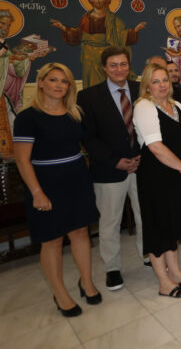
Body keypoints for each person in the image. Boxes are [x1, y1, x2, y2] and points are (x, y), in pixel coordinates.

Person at [14, 63, 100, 317]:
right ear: (41, 82)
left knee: (81, 232)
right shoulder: (27, 117)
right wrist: (37, 192)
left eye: (64, 81)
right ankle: (60, 293)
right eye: (53, 80)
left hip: (76, 178)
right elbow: (22, 160)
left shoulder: (75, 113)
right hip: (45, 183)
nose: (59, 85)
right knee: (52, 240)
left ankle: (86, 282)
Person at [77, 46, 144, 291]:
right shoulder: (88, 96)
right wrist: (114, 160)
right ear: (104, 68)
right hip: (108, 169)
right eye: (113, 65)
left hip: (142, 166)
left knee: (146, 215)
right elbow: (88, 137)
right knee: (110, 222)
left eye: (123, 64)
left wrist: (141, 156)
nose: (119, 69)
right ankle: (112, 269)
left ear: (129, 65)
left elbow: (149, 127)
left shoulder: (141, 90)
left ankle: (149, 254)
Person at [133, 63, 181, 298]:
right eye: (155, 81)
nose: (162, 85)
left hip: (180, 172)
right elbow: (155, 146)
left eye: (164, 80)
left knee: (172, 224)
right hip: (156, 176)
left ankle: (177, 273)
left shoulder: (177, 105)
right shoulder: (144, 106)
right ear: (147, 86)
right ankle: (164, 281)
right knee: (158, 227)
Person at [50, 0, 146, 88]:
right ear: (90, 0)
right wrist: (63, 27)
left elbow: (122, 35)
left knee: (107, 83)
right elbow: (78, 34)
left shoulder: (113, 19)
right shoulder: (86, 17)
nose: (98, 0)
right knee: (91, 85)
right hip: (89, 55)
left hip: (107, 55)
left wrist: (135, 31)